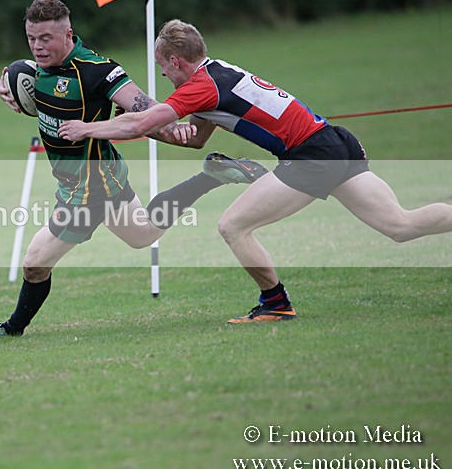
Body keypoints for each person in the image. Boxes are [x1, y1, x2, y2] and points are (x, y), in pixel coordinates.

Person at [59, 19, 452, 323]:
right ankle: (275, 304)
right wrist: (145, 129)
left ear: (176, 61)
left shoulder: (198, 87)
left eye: (163, 68)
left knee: (233, 226)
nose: (164, 76)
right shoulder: (218, 72)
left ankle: (276, 305)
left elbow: (140, 123)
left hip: (311, 156)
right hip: (334, 141)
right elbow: (195, 139)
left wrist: (87, 129)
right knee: (400, 226)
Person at [0, 0, 267, 342]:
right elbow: (29, 88)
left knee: (34, 262)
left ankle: (11, 329)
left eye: (46, 38)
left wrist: (171, 129)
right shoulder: (34, 69)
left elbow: (141, 106)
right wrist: (9, 89)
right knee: (143, 235)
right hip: (94, 173)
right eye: (31, 38)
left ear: (68, 34)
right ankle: (211, 176)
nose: (38, 46)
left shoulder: (97, 70)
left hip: (90, 186)